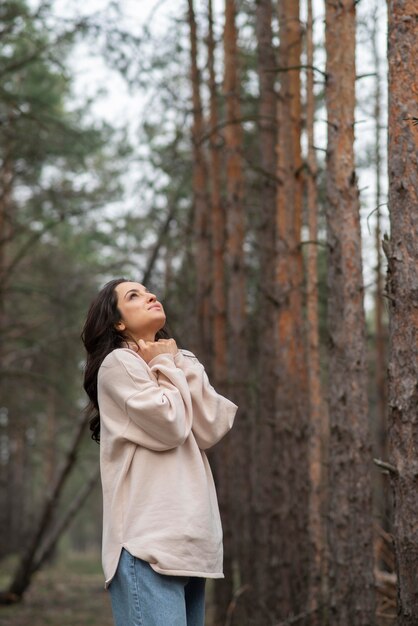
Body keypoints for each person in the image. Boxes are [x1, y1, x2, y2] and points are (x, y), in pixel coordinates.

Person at [81, 278, 238, 626]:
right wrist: (166, 367)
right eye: (133, 296)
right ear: (118, 322)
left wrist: (176, 361)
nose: (151, 295)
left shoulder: (177, 358)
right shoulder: (118, 364)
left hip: (191, 546)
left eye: (148, 291)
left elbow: (210, 426)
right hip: (146, 546)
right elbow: (171, 425)